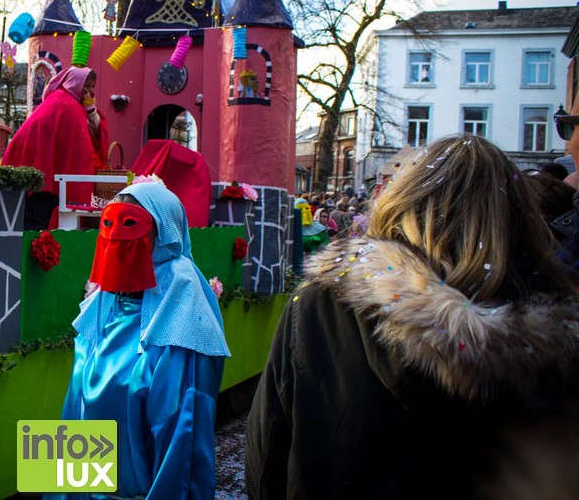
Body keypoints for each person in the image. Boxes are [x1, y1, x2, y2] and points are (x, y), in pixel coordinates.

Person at [246, 135, 579, 499]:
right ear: (519, 220)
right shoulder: (557, 338)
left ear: (404, 201)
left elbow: (268, 450)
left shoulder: (323, 303)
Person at [53, 180, 229, 500]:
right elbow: (73, 415)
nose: (116, 236)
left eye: (130, 224)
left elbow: (181, 446)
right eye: (108, 223)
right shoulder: (100, 311)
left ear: (164, 235)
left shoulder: (179, 325)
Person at [1, 66, 108, 230]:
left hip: (36, 169)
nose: (90, 91)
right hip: (43, 176)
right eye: (86, 86)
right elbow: (82, 150)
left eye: (92, 86)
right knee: (38, 220)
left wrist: (90, 109)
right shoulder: (69, 106)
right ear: (75, 84)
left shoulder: (62, 100)